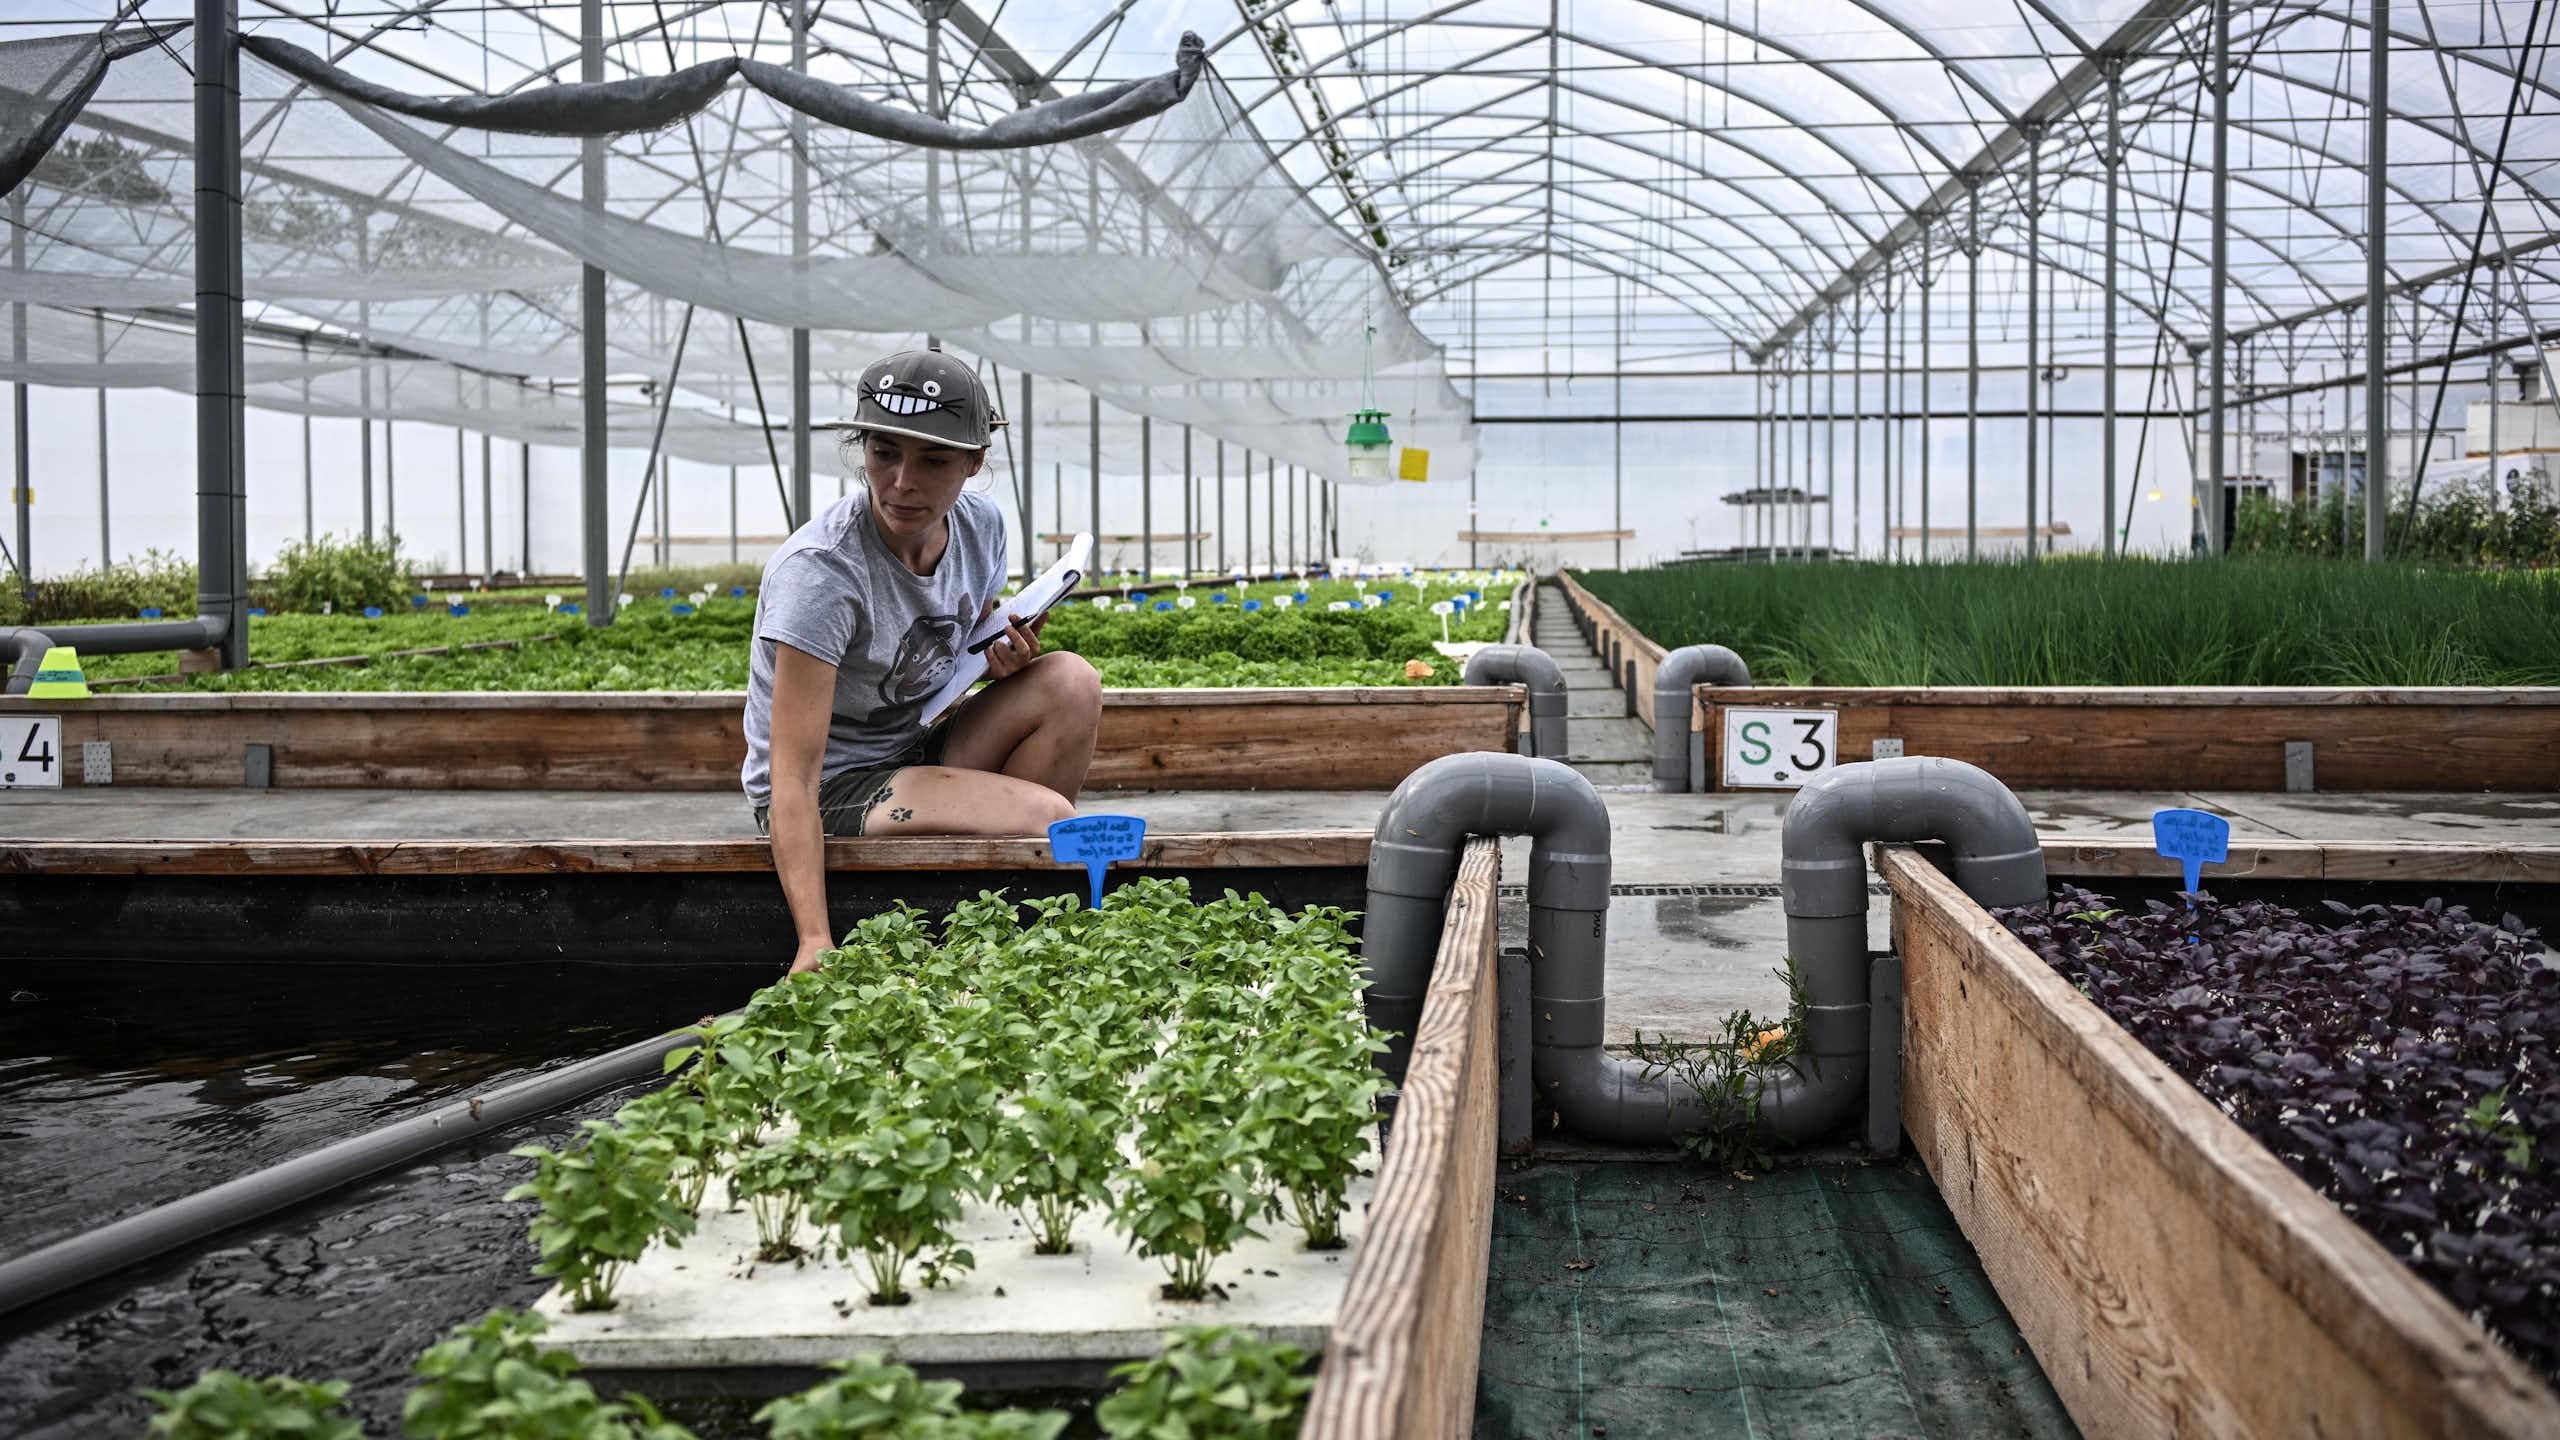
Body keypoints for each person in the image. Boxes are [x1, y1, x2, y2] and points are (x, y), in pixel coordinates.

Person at [742, 349, 1102, 975]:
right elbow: (791, 778)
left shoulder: (981, 525)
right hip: (833, 784)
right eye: (885, 453)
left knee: (1071, 680)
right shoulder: (821, 575)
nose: (903, 481)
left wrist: (996, 658)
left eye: (934, 460)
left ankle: (1003, 910)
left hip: (913, 742)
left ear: (973, 462)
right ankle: (1003, 910)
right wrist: (813, 940)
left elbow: (953, 648)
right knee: (1047, 816)